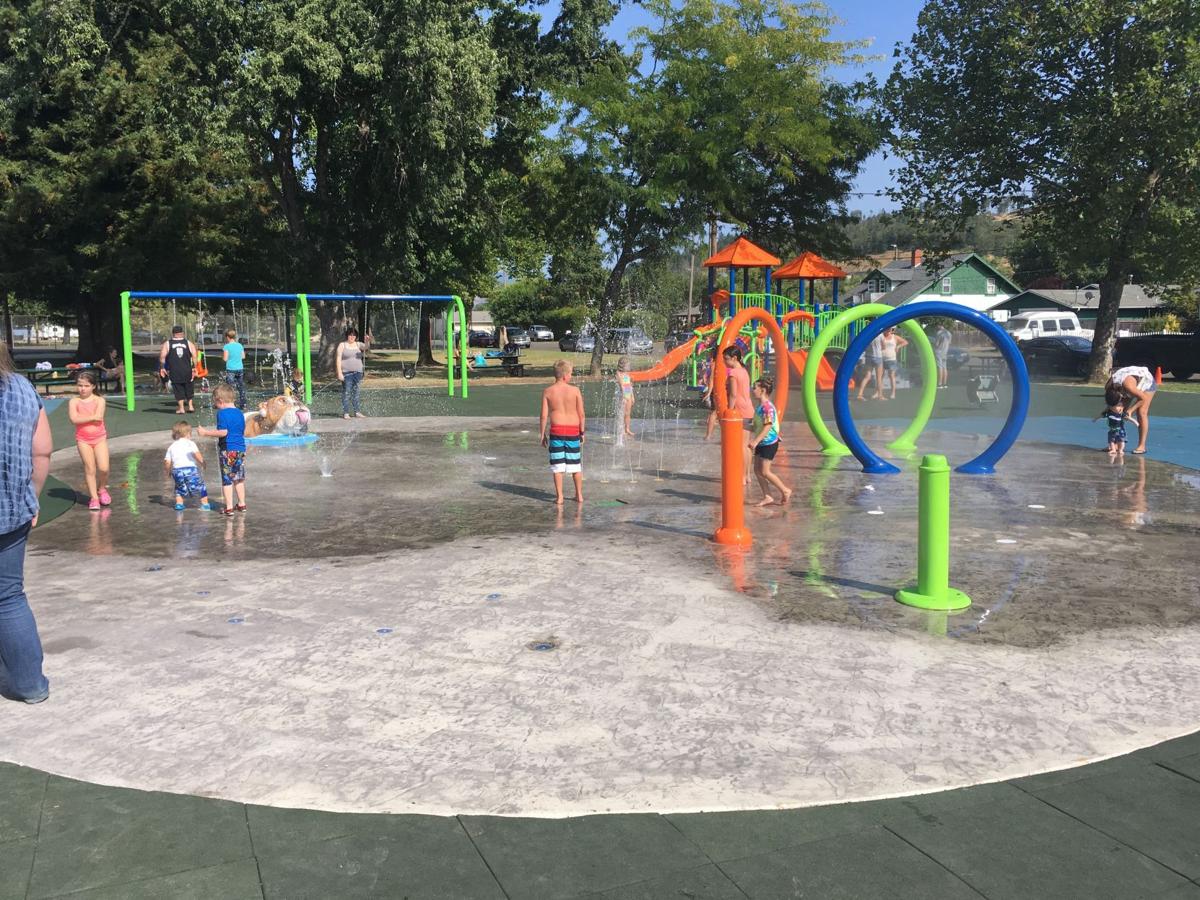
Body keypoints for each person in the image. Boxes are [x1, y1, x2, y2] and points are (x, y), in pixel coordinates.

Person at [0, 342, 52, 703]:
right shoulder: (22, 388)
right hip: (10, 509)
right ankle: (30, 684)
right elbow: (41, 450)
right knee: (8, 597)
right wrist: (31, 496)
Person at [196, 383, 247, 515]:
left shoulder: (222, 413)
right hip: (240, 449)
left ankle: (229, 507)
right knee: (239, 478)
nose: (216, 406)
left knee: (227, 479)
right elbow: (241, 431)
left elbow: (223, 432)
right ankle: (242, 504)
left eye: (216, 403)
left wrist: (205, 433)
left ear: (221, 401)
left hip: (227, 450)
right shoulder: (240, 413)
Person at [540, 359, 586, 505]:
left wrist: (542, 434)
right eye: (571, 373)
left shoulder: (548, 391)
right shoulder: (575, 390)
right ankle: (579, 495)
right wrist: (582, 432)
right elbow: (582, 414)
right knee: (575, 466)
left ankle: (560, 497)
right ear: (566, 376)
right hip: (573, 431)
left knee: (558, 466)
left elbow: (543, 416)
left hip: (557, 431)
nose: (571, 376)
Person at [68, 371, 111, 512]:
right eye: (80, 385)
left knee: (104, 468)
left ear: (93, 386)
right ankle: (94, 498)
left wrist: (86, 417)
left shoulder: (100, 400)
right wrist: (91, 417)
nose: (82, 389)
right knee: (90, 468)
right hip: (83, 439)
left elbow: (99, 417)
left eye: (86, 385)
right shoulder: (74, 401)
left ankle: (102, 488)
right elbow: (74, 419)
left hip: (99, 438)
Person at [749, 378, 791, 507]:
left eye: (755, 387)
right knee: (757, 470)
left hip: (769, 443)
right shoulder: (760, 406)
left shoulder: (767, 407)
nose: (752, 390)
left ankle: (785, 490)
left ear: (762, 390)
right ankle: (767, 496)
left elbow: (767, 426)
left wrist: (755, 441)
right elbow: (758, 425)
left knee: (765, 471)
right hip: (762, 442)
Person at [723, 346, 755, 484]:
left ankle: (741, 477)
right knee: (746, 446)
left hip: (740, 411)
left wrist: (729, 412)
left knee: (741, 446)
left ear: (734, 358)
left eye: (726, 359)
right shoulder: (744, 371)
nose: (724, 362)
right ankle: (747, 475)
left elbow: (733, 394)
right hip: (749, 410)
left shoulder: (733, 373)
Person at [164, 421, 212, 511]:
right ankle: (205, 505)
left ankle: (179, 504)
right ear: (188, 433)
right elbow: (197, 454)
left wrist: (168, 471)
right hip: (190, 470)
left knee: (179, 486)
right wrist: (203, 463)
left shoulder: (171, 446)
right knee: (200, 486)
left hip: (177, 470)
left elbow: (167, 461)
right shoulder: (191, 443)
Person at [1109, 365, 1156, 454]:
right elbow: (1112, 404)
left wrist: (1130, 411)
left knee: (1141, 412)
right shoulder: (1110, 387)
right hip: (1130, 384)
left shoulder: (1129, 386)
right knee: (1118, 412)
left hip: (1147, 382)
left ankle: (1142, 446)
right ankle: (1116, 443)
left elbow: (1143, 398)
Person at [159, 325, 197, 415]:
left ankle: (181, 408)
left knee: (178, 388)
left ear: (173, 334)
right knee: (189, 387)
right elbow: (194, 355)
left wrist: (162, 367)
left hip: (175, 370)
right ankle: (191, 406)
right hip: (187, 369)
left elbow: (162, 356)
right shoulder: (188, 343)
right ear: (182, 333)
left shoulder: (168, 344)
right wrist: (194, 367)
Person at [335, 327, 370, 419]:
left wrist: (367, 341)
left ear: (356, 336)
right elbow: (338, 359)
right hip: (346, 373)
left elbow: (366, 347)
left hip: (358, 373)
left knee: (356, 392)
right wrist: (339, 373)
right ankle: (346, 412)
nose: (352, 336)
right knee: (347, 392)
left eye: (354, 335)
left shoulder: (358, 344)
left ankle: (357, 412)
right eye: (350, 335)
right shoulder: (342, 345)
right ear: (347, 335)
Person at [1094, 386, 1135, 456]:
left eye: (1120, 406)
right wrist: (1096, 418)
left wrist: (1135, 421)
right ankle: (1113, 448)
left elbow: (1128, 417)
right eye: (1118, 406)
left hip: (1119, 429)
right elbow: (1103, 413)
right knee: (1111, 439)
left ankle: (1120, 449)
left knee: (1121, 439)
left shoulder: (1121, 410)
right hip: (1112, 430)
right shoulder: (1110, 410)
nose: (1121, 407)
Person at [879, 326, 909, 400]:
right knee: (880, 377)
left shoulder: (894, 337)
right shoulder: (881, 336)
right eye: (887, 329)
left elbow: (905, 342)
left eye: (890, 329)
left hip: (891, 359)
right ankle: (879, 392)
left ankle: (893, 393)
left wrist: (898, 346)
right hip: (882, 358)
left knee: (891, 376)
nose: (889, 330)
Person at [221, 329, 247, 410]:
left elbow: (225, 359)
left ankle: (232, 404)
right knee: (241, 386)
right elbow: (243, 357)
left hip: (231, 369)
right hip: (240, 368)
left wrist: (226, 357)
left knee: (230, 388)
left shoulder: (226, 346)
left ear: (227, 337)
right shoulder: (239, 345)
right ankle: (243, 404)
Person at [856, 332, 885, 401]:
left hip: (869, 357)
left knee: (867, 377)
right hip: (878, 356)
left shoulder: (868, 334)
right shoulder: (880, 335)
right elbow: (884, 346)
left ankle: (860, 394)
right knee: (879, 378)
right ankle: (880, 396)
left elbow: (863, 345)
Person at [616, 356, 635, 437]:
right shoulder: (618, 373)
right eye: (628, 365)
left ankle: (627, 429)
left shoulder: (627, 374)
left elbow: (629, 386)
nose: (629, 366)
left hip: (628, 395)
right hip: (623, 395)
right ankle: (622, 430)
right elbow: (621, 385)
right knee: (622, 413)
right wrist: (624, 396)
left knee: (628, 413)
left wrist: (632, 396)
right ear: (623, 365)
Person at [933, 322, 952, 390]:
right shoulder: (949, 333)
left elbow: (937, 344)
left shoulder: (939, 333)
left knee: (940, 368)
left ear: (939, 325)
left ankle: (939, 384)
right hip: (945, 352)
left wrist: (933, 343)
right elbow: (949, 343)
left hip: (939, 352)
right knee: (945, 368)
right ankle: (945, 384)